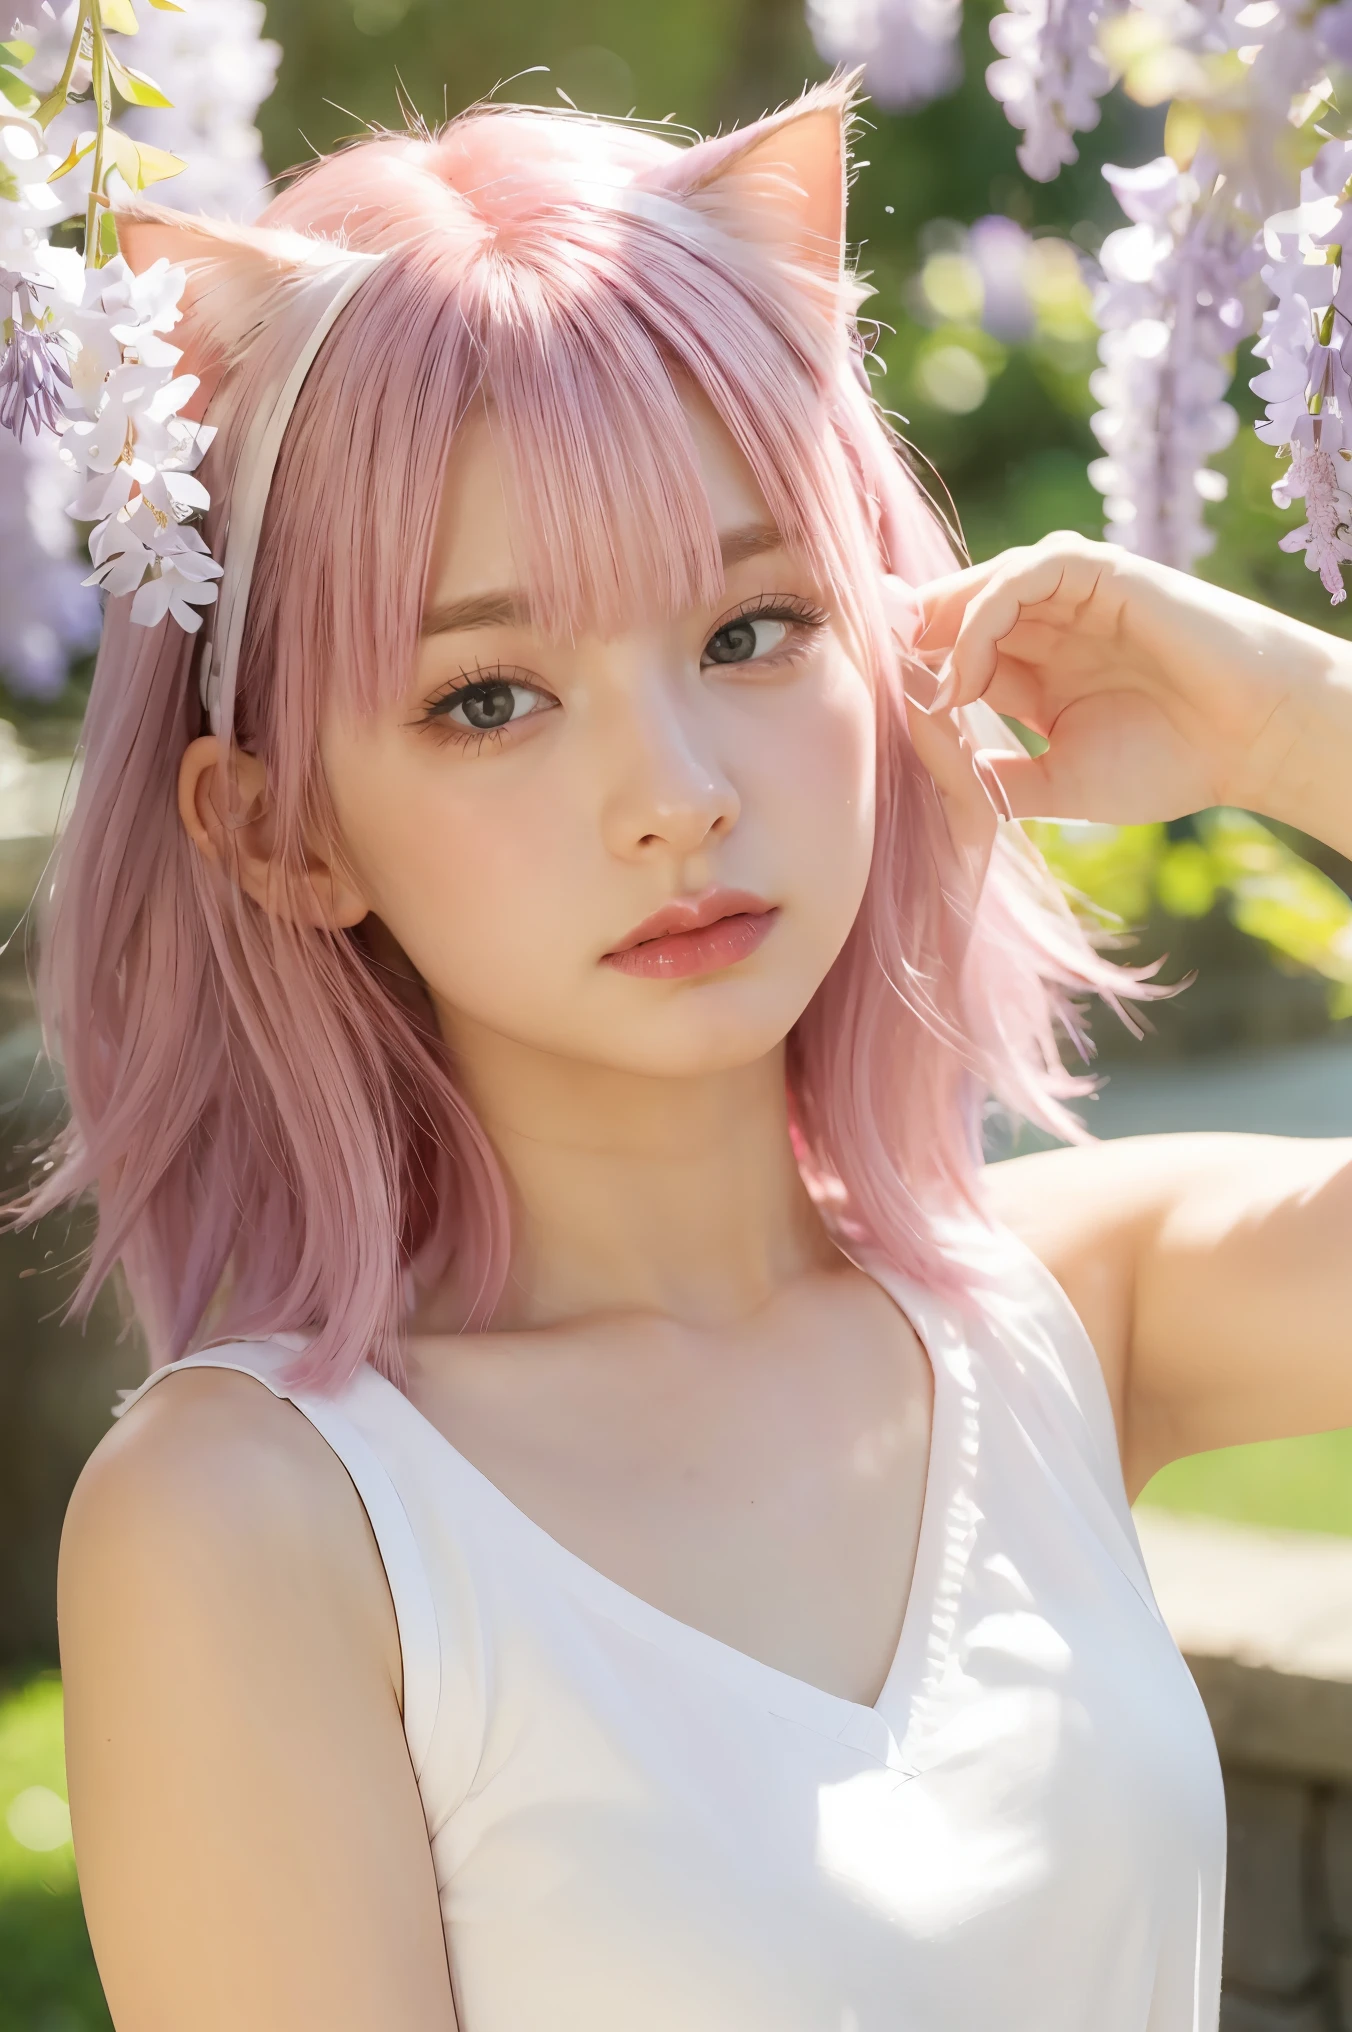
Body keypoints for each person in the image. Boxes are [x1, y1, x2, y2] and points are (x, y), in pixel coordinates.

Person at [39, 73, 1352, 2032]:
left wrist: (1281, 715)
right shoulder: (253, 1521)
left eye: (750, 630)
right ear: (277, 829)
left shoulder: (1063, 1311)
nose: (672, 795)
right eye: (490, 694)